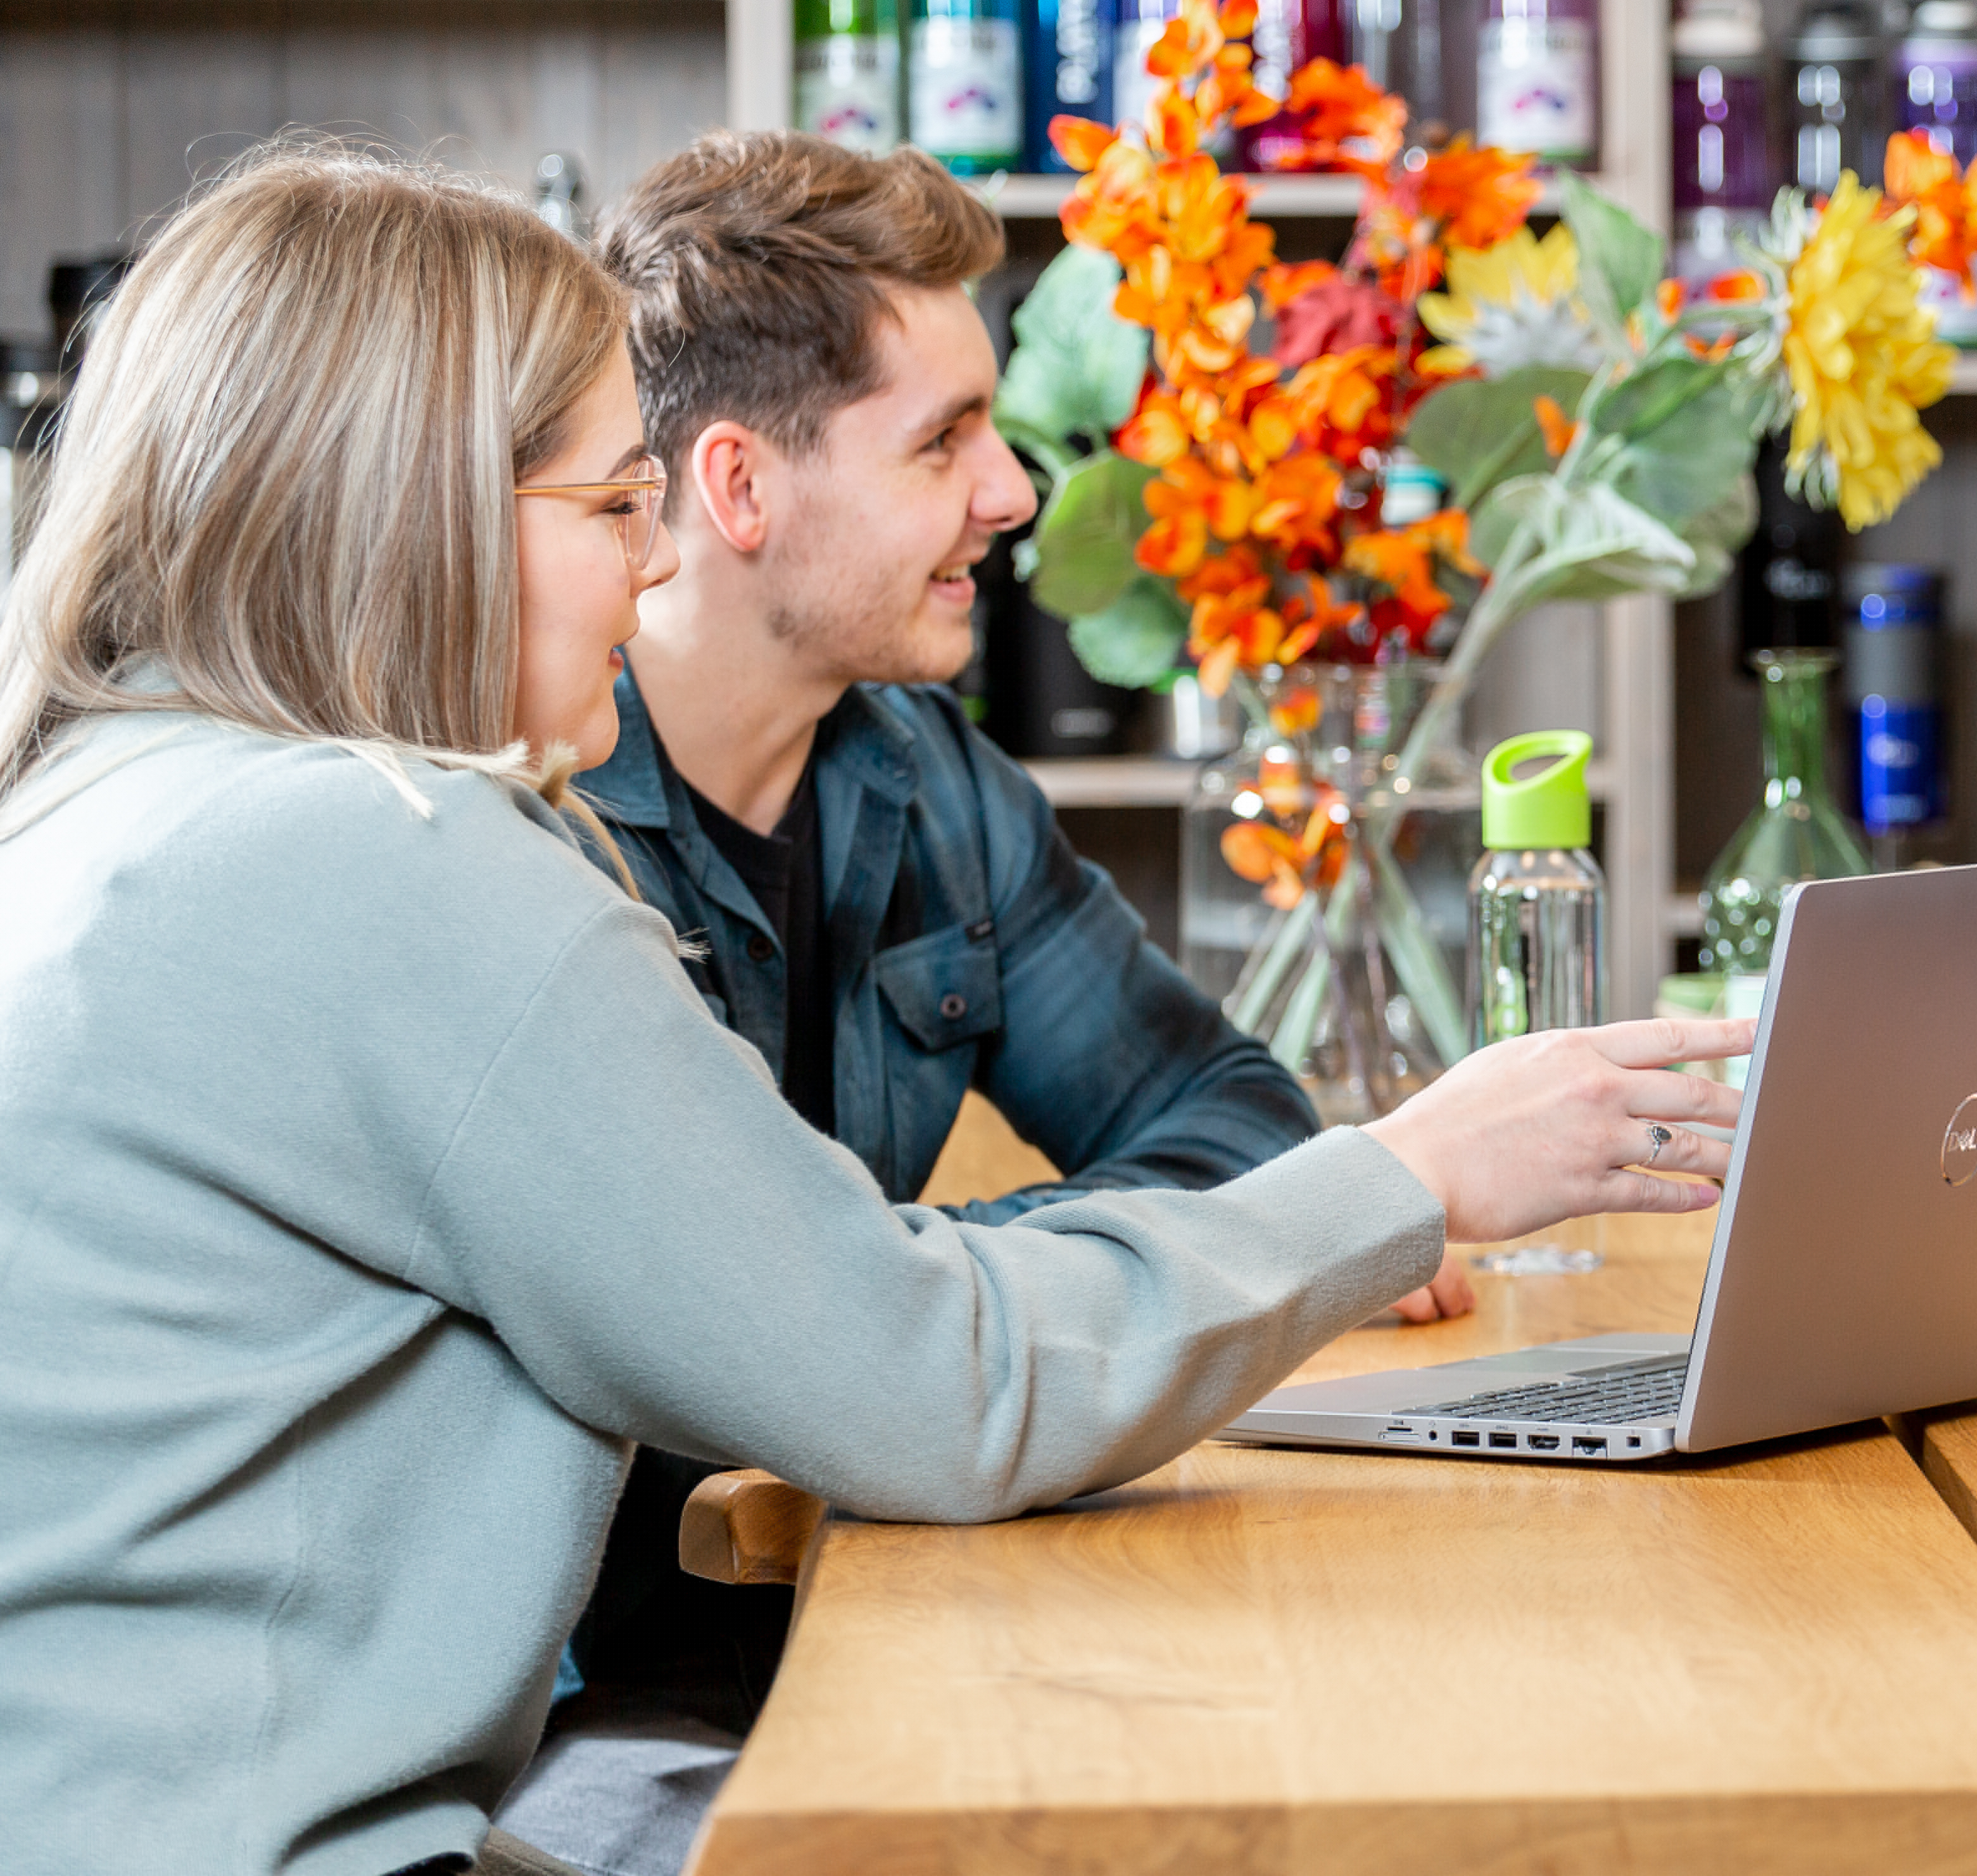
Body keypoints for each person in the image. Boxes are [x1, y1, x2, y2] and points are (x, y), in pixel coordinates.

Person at [0, 144, 1748, 1876]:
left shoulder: (119, 793)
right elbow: (929, 1384)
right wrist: (1410, 1176)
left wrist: (876, 1262)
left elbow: (893, 1303)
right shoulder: (396, 858)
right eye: (615, 510)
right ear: (422, 515)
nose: (644, 564)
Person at [540, 134, 1460, 1807]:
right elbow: (721, 1377)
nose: (1015, 493)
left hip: (888, 1619)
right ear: (741, 489)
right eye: (944, 441)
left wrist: (919, 1282)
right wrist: (950, 1294)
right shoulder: (532, 845)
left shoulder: (924, 778)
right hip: (592, 1733)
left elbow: (1228, 1114)